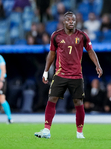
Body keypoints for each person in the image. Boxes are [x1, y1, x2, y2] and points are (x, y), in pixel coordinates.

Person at [34, 11, 103, 139]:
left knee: (78, 102)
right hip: (60, 74)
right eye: (68, 20)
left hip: (76, 75)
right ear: (64, 22)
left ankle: (79, 133)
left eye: (73, 19)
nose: (71, 21)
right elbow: (52, 54)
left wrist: (97, 65)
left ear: (75, 21)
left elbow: (90, 51)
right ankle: (46, 130)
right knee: (51, 99)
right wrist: (45, 71)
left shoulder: (82, 36)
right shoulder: (56, 36)